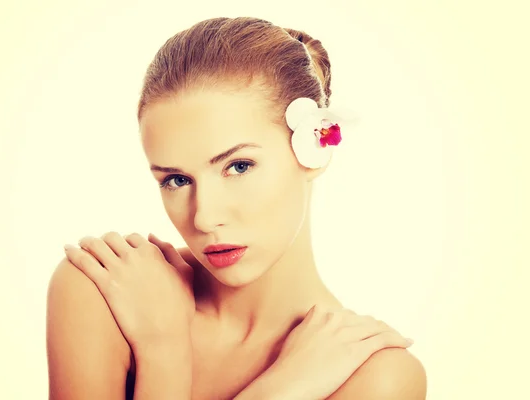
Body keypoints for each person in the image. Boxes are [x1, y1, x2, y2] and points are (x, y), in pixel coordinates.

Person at [46, 16, 427, 400]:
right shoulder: (105, 290)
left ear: (314, 152)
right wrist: (166, 347)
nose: (204, 218)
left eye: (238, 166)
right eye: (176, 180)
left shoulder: (375, 378)